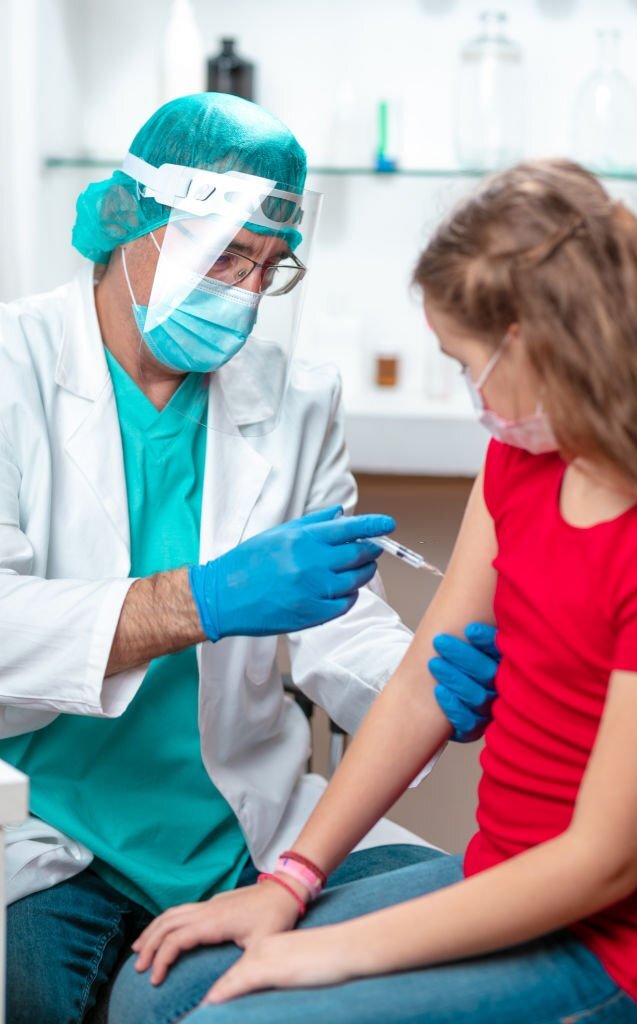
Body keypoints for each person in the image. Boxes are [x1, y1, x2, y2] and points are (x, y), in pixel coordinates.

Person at [110, 159, 637, 1024]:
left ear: (534, 343)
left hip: (618, 936)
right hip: (501, 868)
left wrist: (319, 954)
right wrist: (288, 887)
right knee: (157, 992)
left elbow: (600, 863)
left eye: (465, 362)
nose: (471, 394)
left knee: (232, 1015)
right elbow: (421, 676)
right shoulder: (520, 460)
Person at [0, 92, 498, 1024]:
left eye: (270, 267)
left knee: (457, 932)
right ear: (131, 222)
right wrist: (201, 600)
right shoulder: (11, 369)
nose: (245, 292)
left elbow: (334, 623)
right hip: (49, 841)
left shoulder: (297, 397)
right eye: (224, 253)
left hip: (251, 830)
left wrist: (421, 681)